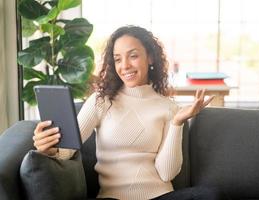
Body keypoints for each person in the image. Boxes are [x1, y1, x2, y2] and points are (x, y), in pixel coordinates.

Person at [33, 25, 216, 200]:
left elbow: (166, 172)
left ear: (150, 57)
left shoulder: (168, 108)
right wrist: (48, 148)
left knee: (210, 196)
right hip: (113, 198)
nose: (125, 65)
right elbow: (66, 151)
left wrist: (177, 123)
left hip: (159, 196)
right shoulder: (101, 100)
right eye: (118, 59)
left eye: (133, 56)